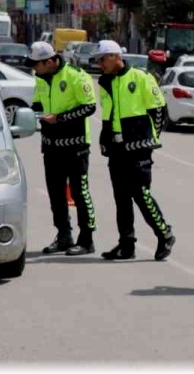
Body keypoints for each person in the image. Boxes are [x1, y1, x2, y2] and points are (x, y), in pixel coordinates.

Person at [92, 40, 177, 262]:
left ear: (114, 56)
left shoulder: (140, 77)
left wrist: (150, 140)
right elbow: (107, 115)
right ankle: (126, 244)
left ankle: (164, 234)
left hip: (138, 149)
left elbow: (159, 110)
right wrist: (105, 139)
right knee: (121, 198)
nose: (100, 65)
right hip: (116, 149)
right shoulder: (106, 83)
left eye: (102, 59)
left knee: (141, 195)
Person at [29, 41, 99, 256]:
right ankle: (64, 236)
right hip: (51, 146)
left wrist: (59, 118)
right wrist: (33, 114)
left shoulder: (76, 76)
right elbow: (38, 104)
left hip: (75, 145)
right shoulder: (40, 78)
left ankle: (86, 239)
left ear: (49, 61)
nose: (33, 68)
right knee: (56, 194)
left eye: (36, 64)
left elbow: (89, 107)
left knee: (79, 193)